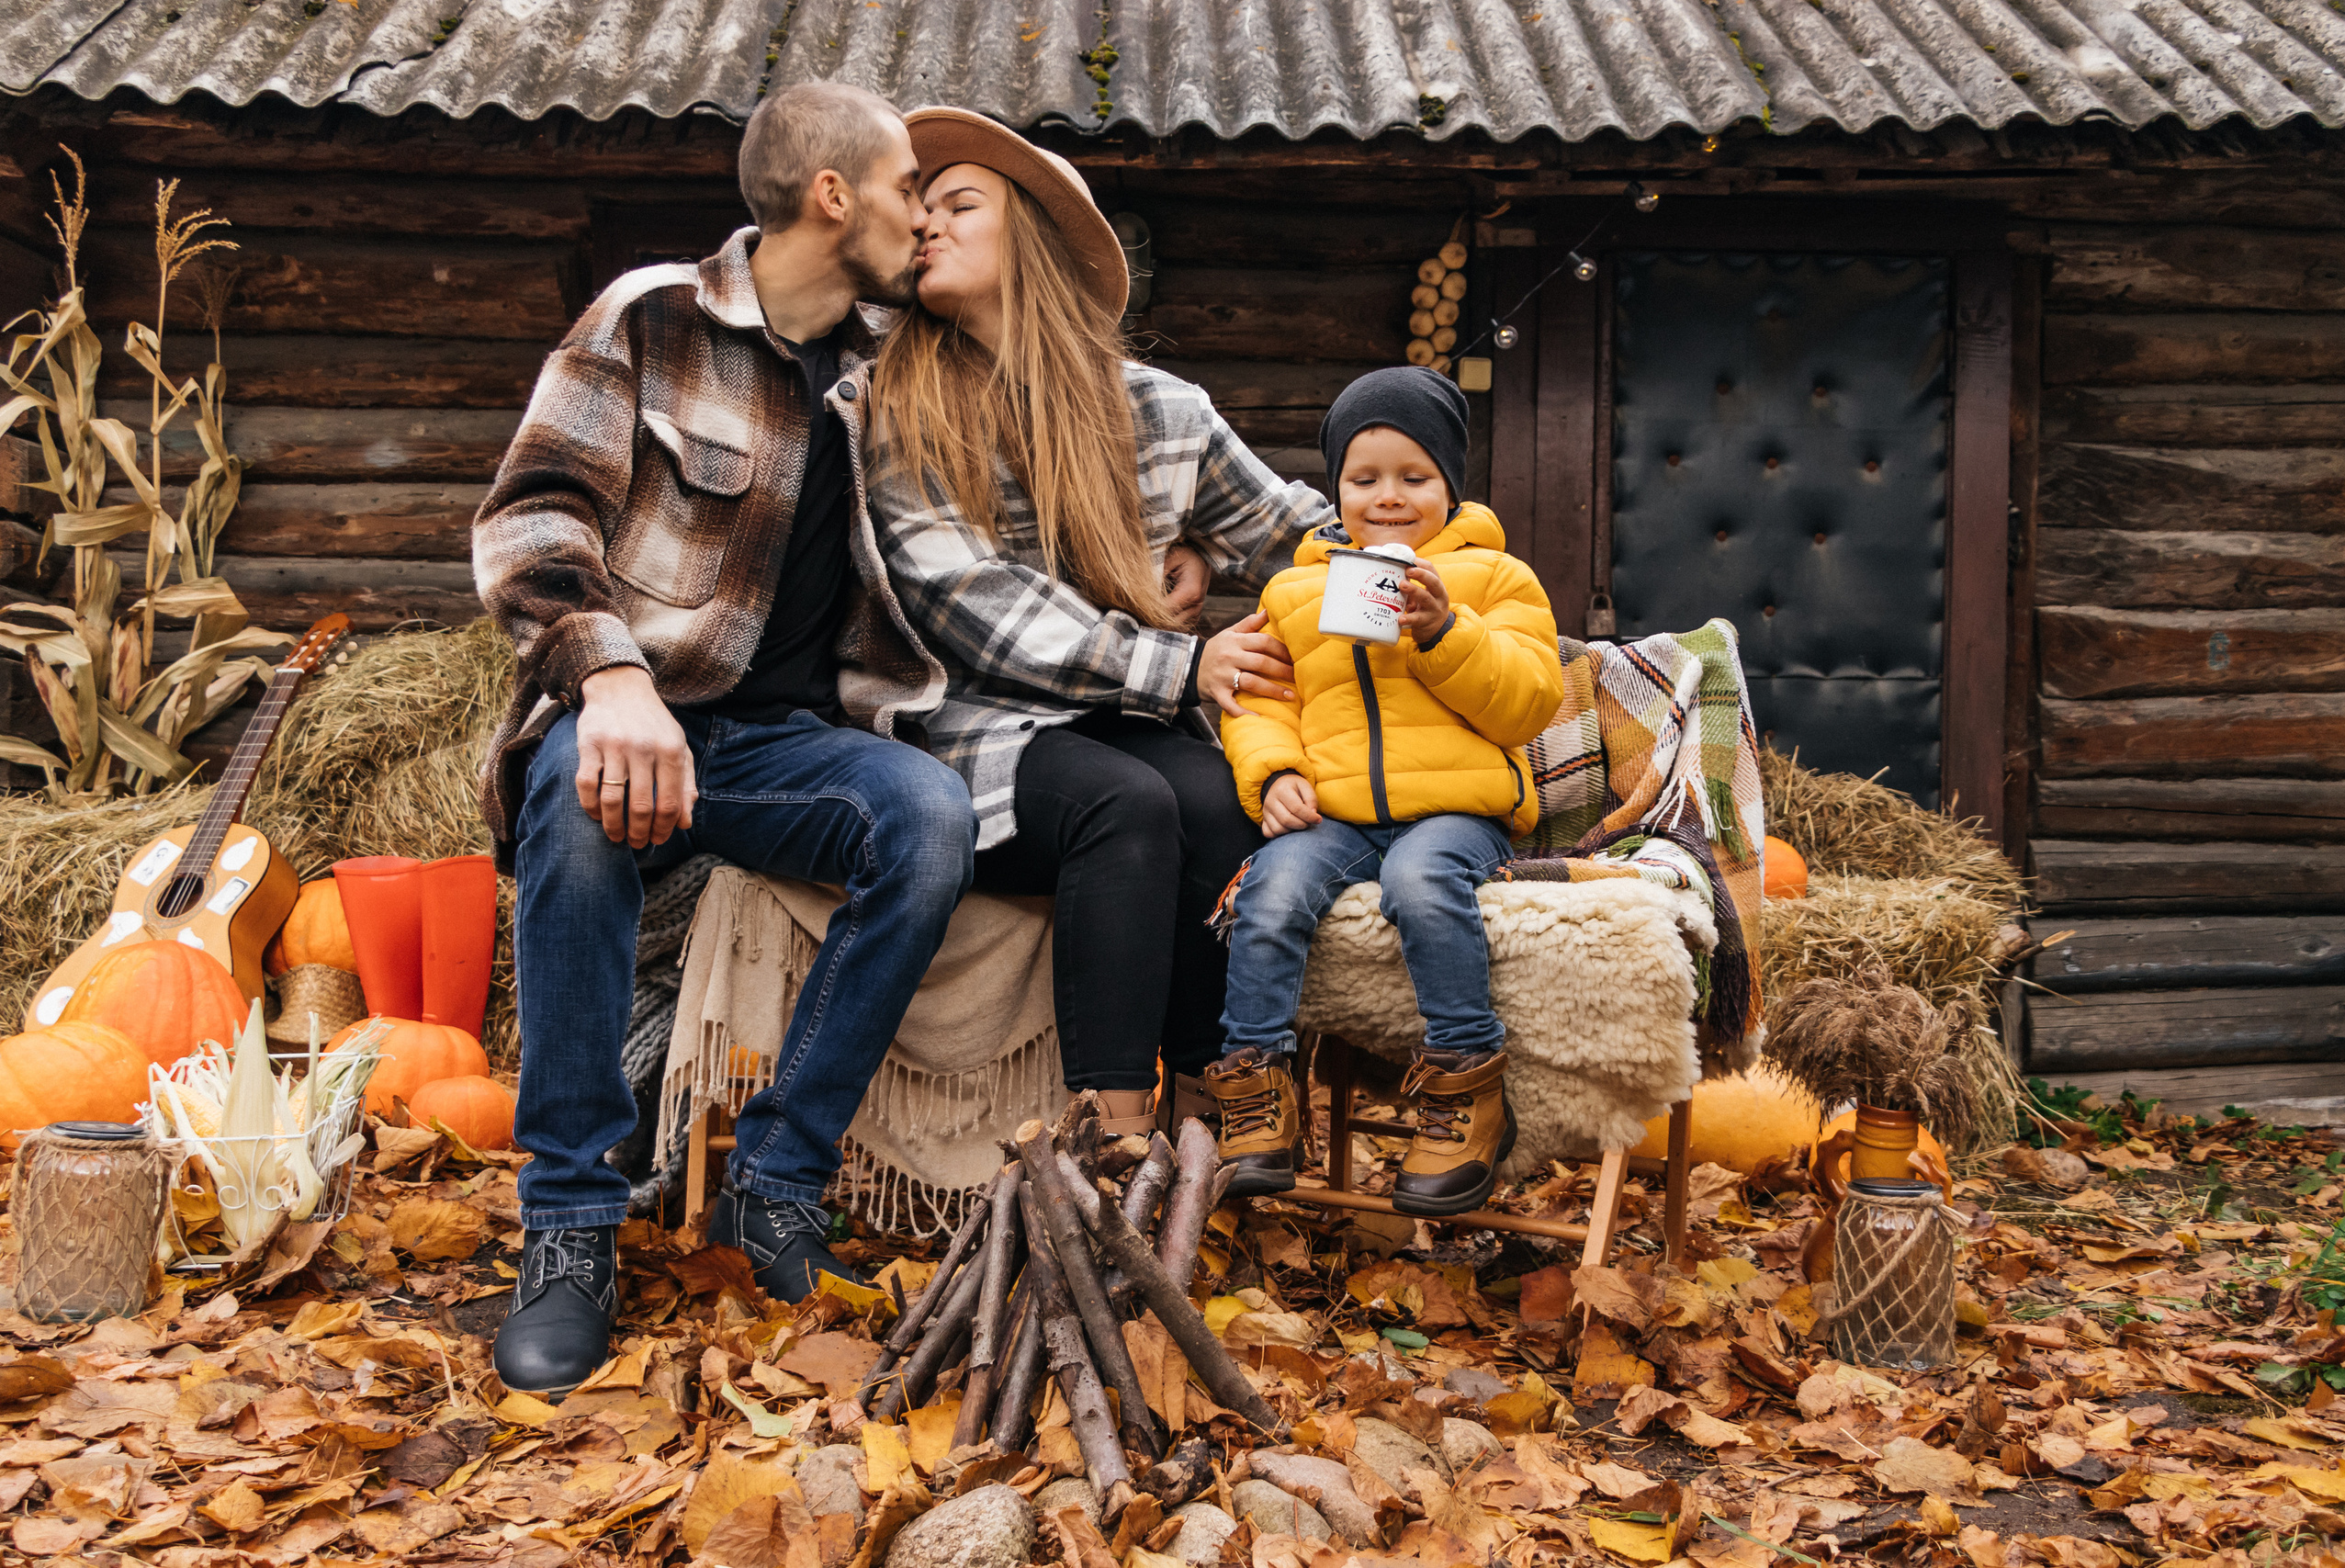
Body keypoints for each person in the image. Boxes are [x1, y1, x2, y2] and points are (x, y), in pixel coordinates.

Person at [472, 83, 979, 1396]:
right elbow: (530, 520)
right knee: (579, 823)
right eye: (905, 184)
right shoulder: (650, 316)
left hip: (780, 746)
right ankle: (573, 1226)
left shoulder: (893, 365)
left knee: (923, 817)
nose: (920, 212)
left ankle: (775, 1180)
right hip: (625, 712)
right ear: (832, 196)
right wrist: (612, 679)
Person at [865, 107, 1328, 1134]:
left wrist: (1436, 580)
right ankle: (1108, 1147)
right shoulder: (892, 408)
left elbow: (1298, 536)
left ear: (1028, 235)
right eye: (917, 213)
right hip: (968, 731)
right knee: (1125, 802)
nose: (926, 227)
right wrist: (1184, 661)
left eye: (958, 205)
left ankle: (1212, 1124)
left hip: (1123, 718)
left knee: (1219, 802)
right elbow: (971, 606)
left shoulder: (1159, 409)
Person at [1207, 367, 1565, 1214]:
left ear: (1450, 486)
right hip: (1339, 816)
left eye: (1415, 477)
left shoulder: (1495, 580)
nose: (1389, 497)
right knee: (1272, 887)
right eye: (1364, 479)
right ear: (1336, 489)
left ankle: (1464, 1086)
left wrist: (1445, 632)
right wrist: (1277, 773)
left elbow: (1528, 702)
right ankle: (1258, 1090)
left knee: (1420, 881)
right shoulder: (1296, 590)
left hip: (1457, 811)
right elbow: (1261, 700)